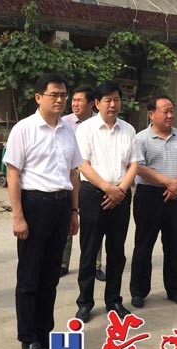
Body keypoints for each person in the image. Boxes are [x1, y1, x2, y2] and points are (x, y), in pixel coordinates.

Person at [3, 73, 82, 349]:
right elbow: (13, 174)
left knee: (50, 276)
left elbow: (73, 173)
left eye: (63, 95)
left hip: (61, 206)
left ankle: (44, 332)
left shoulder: (68, 130)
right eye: (54, 95)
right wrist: (18, 216)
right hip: (34, 205)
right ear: (38, 97)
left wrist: (74, 211)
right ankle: (28, 337)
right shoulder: (24, 129)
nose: (60, 100)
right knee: (29, 276)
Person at [74, 80, 138, 323]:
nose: (113, 104)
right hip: (93, 194)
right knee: (90, 250)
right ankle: (85, 303)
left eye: (116, 99)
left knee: (117, 251)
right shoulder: (86, 129)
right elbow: (83, 164)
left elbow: (134, 164)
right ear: (97, 103)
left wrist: (119, 190)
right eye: (108, 100)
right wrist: (107, 188)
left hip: (121, 194)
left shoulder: (128, 130)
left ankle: (114, 300)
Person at [130, 96, 177, 308]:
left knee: (173, 244)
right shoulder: (141, 138)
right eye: (165, 111)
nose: (170, 115)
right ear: (151, 114)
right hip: (149, 195)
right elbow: (139, 167)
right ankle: (139, 291)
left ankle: (175, 289)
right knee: (144, 244)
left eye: (172, 111)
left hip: (175, 196)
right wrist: (169, 183)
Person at [61, 85, 106, 282]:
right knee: (68, 216)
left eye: (79, 100)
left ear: (92, 104)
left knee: (94, 222)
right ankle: (62, 263)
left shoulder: (100, 123)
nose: (75, 104)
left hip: (92, 176)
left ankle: (95, 265)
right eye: (73, 100)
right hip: (71, 174)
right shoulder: (64, 122)